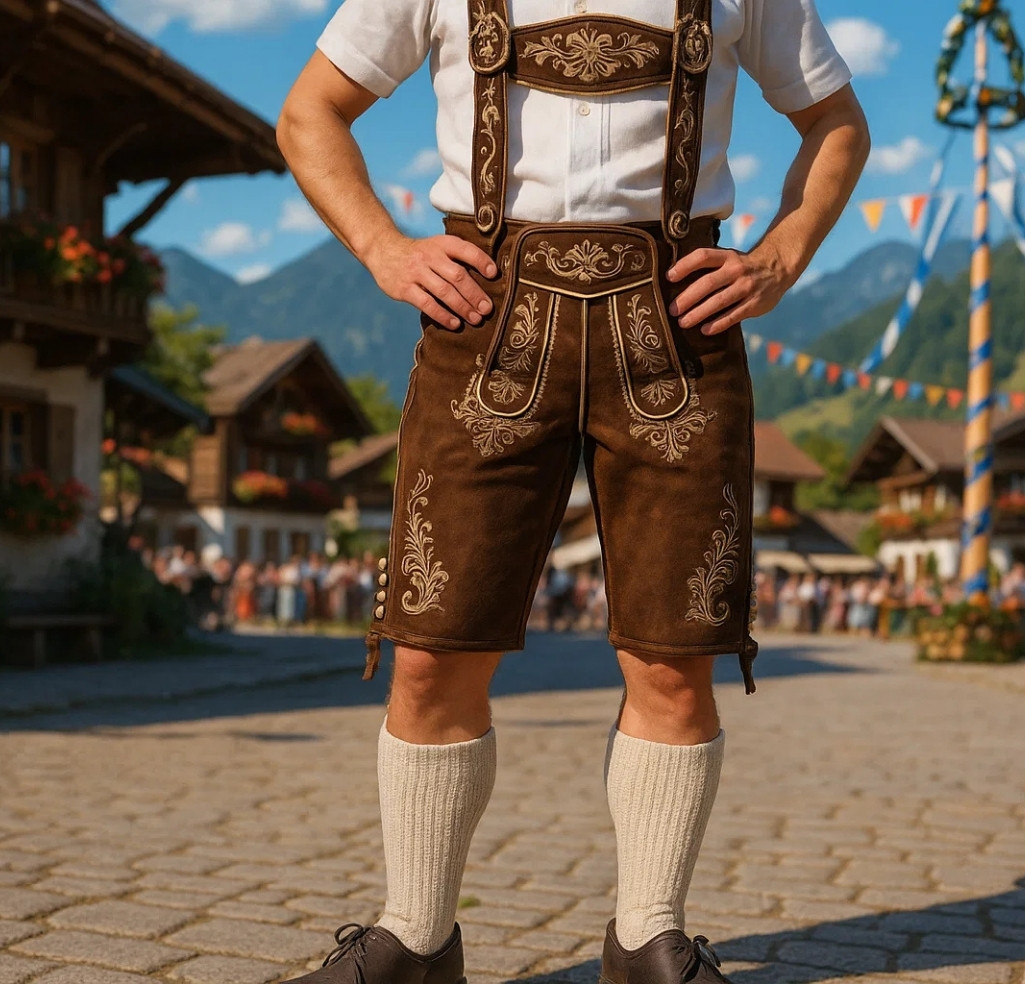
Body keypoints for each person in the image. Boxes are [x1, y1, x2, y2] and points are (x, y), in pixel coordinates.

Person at [275, 0, 868, 980]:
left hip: (677, 331)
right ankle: (416, 937)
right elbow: (309, 112)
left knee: (675, 658)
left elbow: (836, 120)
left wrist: (779, 254)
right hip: (483, 322)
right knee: (431, 650)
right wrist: (384, 247)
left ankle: (647, 939)